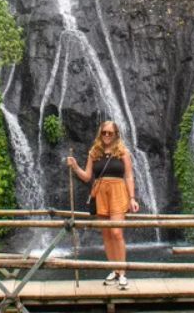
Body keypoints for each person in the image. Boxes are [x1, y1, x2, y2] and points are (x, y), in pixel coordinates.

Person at [66, 120, 140, 290]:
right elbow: (87, 177)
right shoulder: (94, 152)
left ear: (116, 134)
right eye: (104, 132)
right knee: (106, 235)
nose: (106, 135)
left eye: (110, 133)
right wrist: (75, 166)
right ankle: (114, 270)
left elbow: (129, 176)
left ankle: (122, 273)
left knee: (116, 233)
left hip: (118, 192)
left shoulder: (123, 152)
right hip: (100, 193)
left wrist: (132, 198)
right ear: (100, 134)